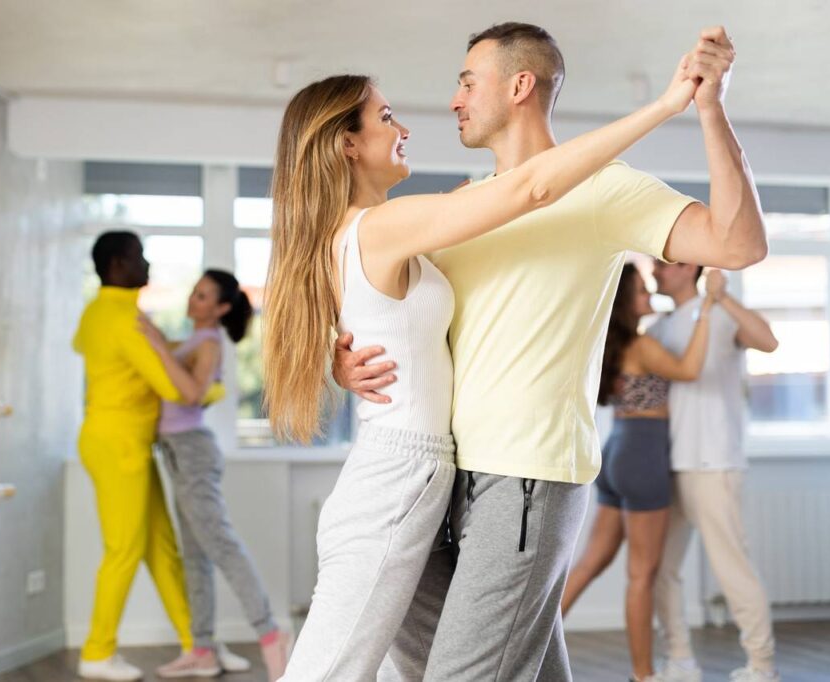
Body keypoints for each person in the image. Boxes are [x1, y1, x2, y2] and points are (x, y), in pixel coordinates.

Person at [334, 22, 767, 681]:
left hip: (527, 473)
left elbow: (736, 246)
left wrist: (709, 110)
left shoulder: (608, 189)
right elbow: (397, 320)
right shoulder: (461, 208)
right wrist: (341, 365)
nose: (454, 100)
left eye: (466, 81)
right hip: (446, 478)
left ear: (520, 85)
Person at [264, 44, 698, 679]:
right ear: (347, 145)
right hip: (395, 480)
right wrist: (664, 107)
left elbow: (389, 320)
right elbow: (533, 186)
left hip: (422, 474)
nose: (404, 127)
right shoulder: (381, 228)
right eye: (386, 118)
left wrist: (340, 360)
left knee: (445, 666)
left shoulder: (382, 232)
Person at [74, 231, 224, 681]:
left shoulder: (101, 312)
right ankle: (97, 652)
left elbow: (94, 348)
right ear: (119, 265)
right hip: (118, 445)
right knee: (124, 549)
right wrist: (213, 386)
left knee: (162, 548)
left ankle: (196, 647)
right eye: (139, 255)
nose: (147, 262)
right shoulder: (126, 321)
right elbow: (176, 387)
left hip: (121, 442)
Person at [560, 263, 715, 681]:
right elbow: (689, 370)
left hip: (617, 450)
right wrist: (709, 306)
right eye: (643, 292)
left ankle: (532, 643)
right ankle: (644, 675)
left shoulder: (608, 344)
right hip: (644, 453)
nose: (650, 296)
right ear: (626, 302)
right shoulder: (640, 345)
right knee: (642, 575)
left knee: (593, 561)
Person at [140, 270, 290, 681]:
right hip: (176, 452)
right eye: (194, 291)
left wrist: (155, 343)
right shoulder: (191, 339)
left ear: (221, 308)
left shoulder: (208, 343)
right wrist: (148, 328)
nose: (193, 299)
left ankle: (271, 634)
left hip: (191, 452)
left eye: (204, 296)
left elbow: (190, 392)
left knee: (222, 546)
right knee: (195, 557)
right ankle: (202, 649)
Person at [650, 262, 780, 682]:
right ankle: (681, 660)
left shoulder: (721, 314)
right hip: (670, 464)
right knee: (662, 569)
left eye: (663, 264)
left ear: (690, 270)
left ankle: (762, 665)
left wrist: (720, 295)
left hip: (714, 462)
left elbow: (769, 341)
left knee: (732, 567)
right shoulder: (658, 330)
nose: (654, 269)